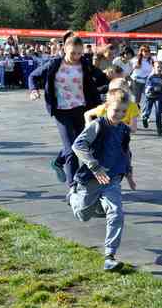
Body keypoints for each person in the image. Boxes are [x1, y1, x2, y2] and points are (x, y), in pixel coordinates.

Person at [68, 88, 136, 272]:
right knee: (83, 215)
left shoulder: (123, 130)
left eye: (124, 111)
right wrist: (95, 166)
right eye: (116, 110)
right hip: (91, 179)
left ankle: (110, 256)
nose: (120, 115)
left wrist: (129, 173)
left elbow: (125, 152)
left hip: (112, 179)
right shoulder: (98, 125)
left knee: (117, 213)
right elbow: (78, 145)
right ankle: (73, 195)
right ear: (107, 107)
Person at [29, 35, 109, 188]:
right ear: (64, 49)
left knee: (79, 143)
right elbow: (33, 76)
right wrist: (33, 90)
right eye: (73, 53)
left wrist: (112, 80)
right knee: (72, 150)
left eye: (79, 53)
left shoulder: (84, 64)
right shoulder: (54, 64)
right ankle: (73, 188)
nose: (76, 56)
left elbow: (101, 78)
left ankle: (58, 161)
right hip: (61, 111)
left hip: (81, 109)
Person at [141, 61, 162, 136]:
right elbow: (148, 87)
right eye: (158, 67)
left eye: (161, 67)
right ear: (154, 68)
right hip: (150, 96)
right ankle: (145, 118)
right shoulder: (151, 76)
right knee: (147, 111)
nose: (159, 68)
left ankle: (159, 129)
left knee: (158, 113)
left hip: (158, 96)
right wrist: (157, 87)